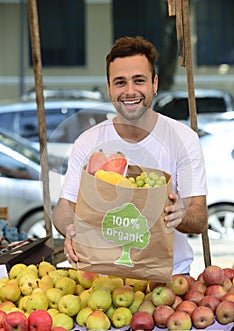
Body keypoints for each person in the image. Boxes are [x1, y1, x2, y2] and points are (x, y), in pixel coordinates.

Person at [52, 36, 208, 275]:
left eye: (139, 80)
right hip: (106, 278)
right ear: (109, 88)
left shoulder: (183, 139)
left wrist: (182, 215)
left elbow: (199, 217)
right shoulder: (88, 142)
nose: (130, 91)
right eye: (120, 82)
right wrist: (70, 227)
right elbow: (64, 206)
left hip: (169, 279)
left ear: (155, 83)